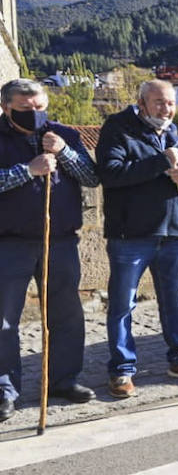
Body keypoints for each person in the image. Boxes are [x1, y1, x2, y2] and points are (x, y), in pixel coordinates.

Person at [97, 79, 178, 398]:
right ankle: (121, 370)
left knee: (175, 302)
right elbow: (110, 174)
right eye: (159, 102)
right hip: (130, 233)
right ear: (142, 102)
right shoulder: (118, 128)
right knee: (122, 304)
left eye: (171, 103)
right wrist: (161, 162)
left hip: (173, 231)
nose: (167, 109)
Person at [0, 79, 99, 420]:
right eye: (26, 109)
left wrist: (64, 153)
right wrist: (28, 171)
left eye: (40, 108)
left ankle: (63, 380)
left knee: (65, 315)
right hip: (8, 242)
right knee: (4, 321)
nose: (35, 114)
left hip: (59, 241)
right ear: (6, 108)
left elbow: (91, 177)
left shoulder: (65, 134)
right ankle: (5, 390)